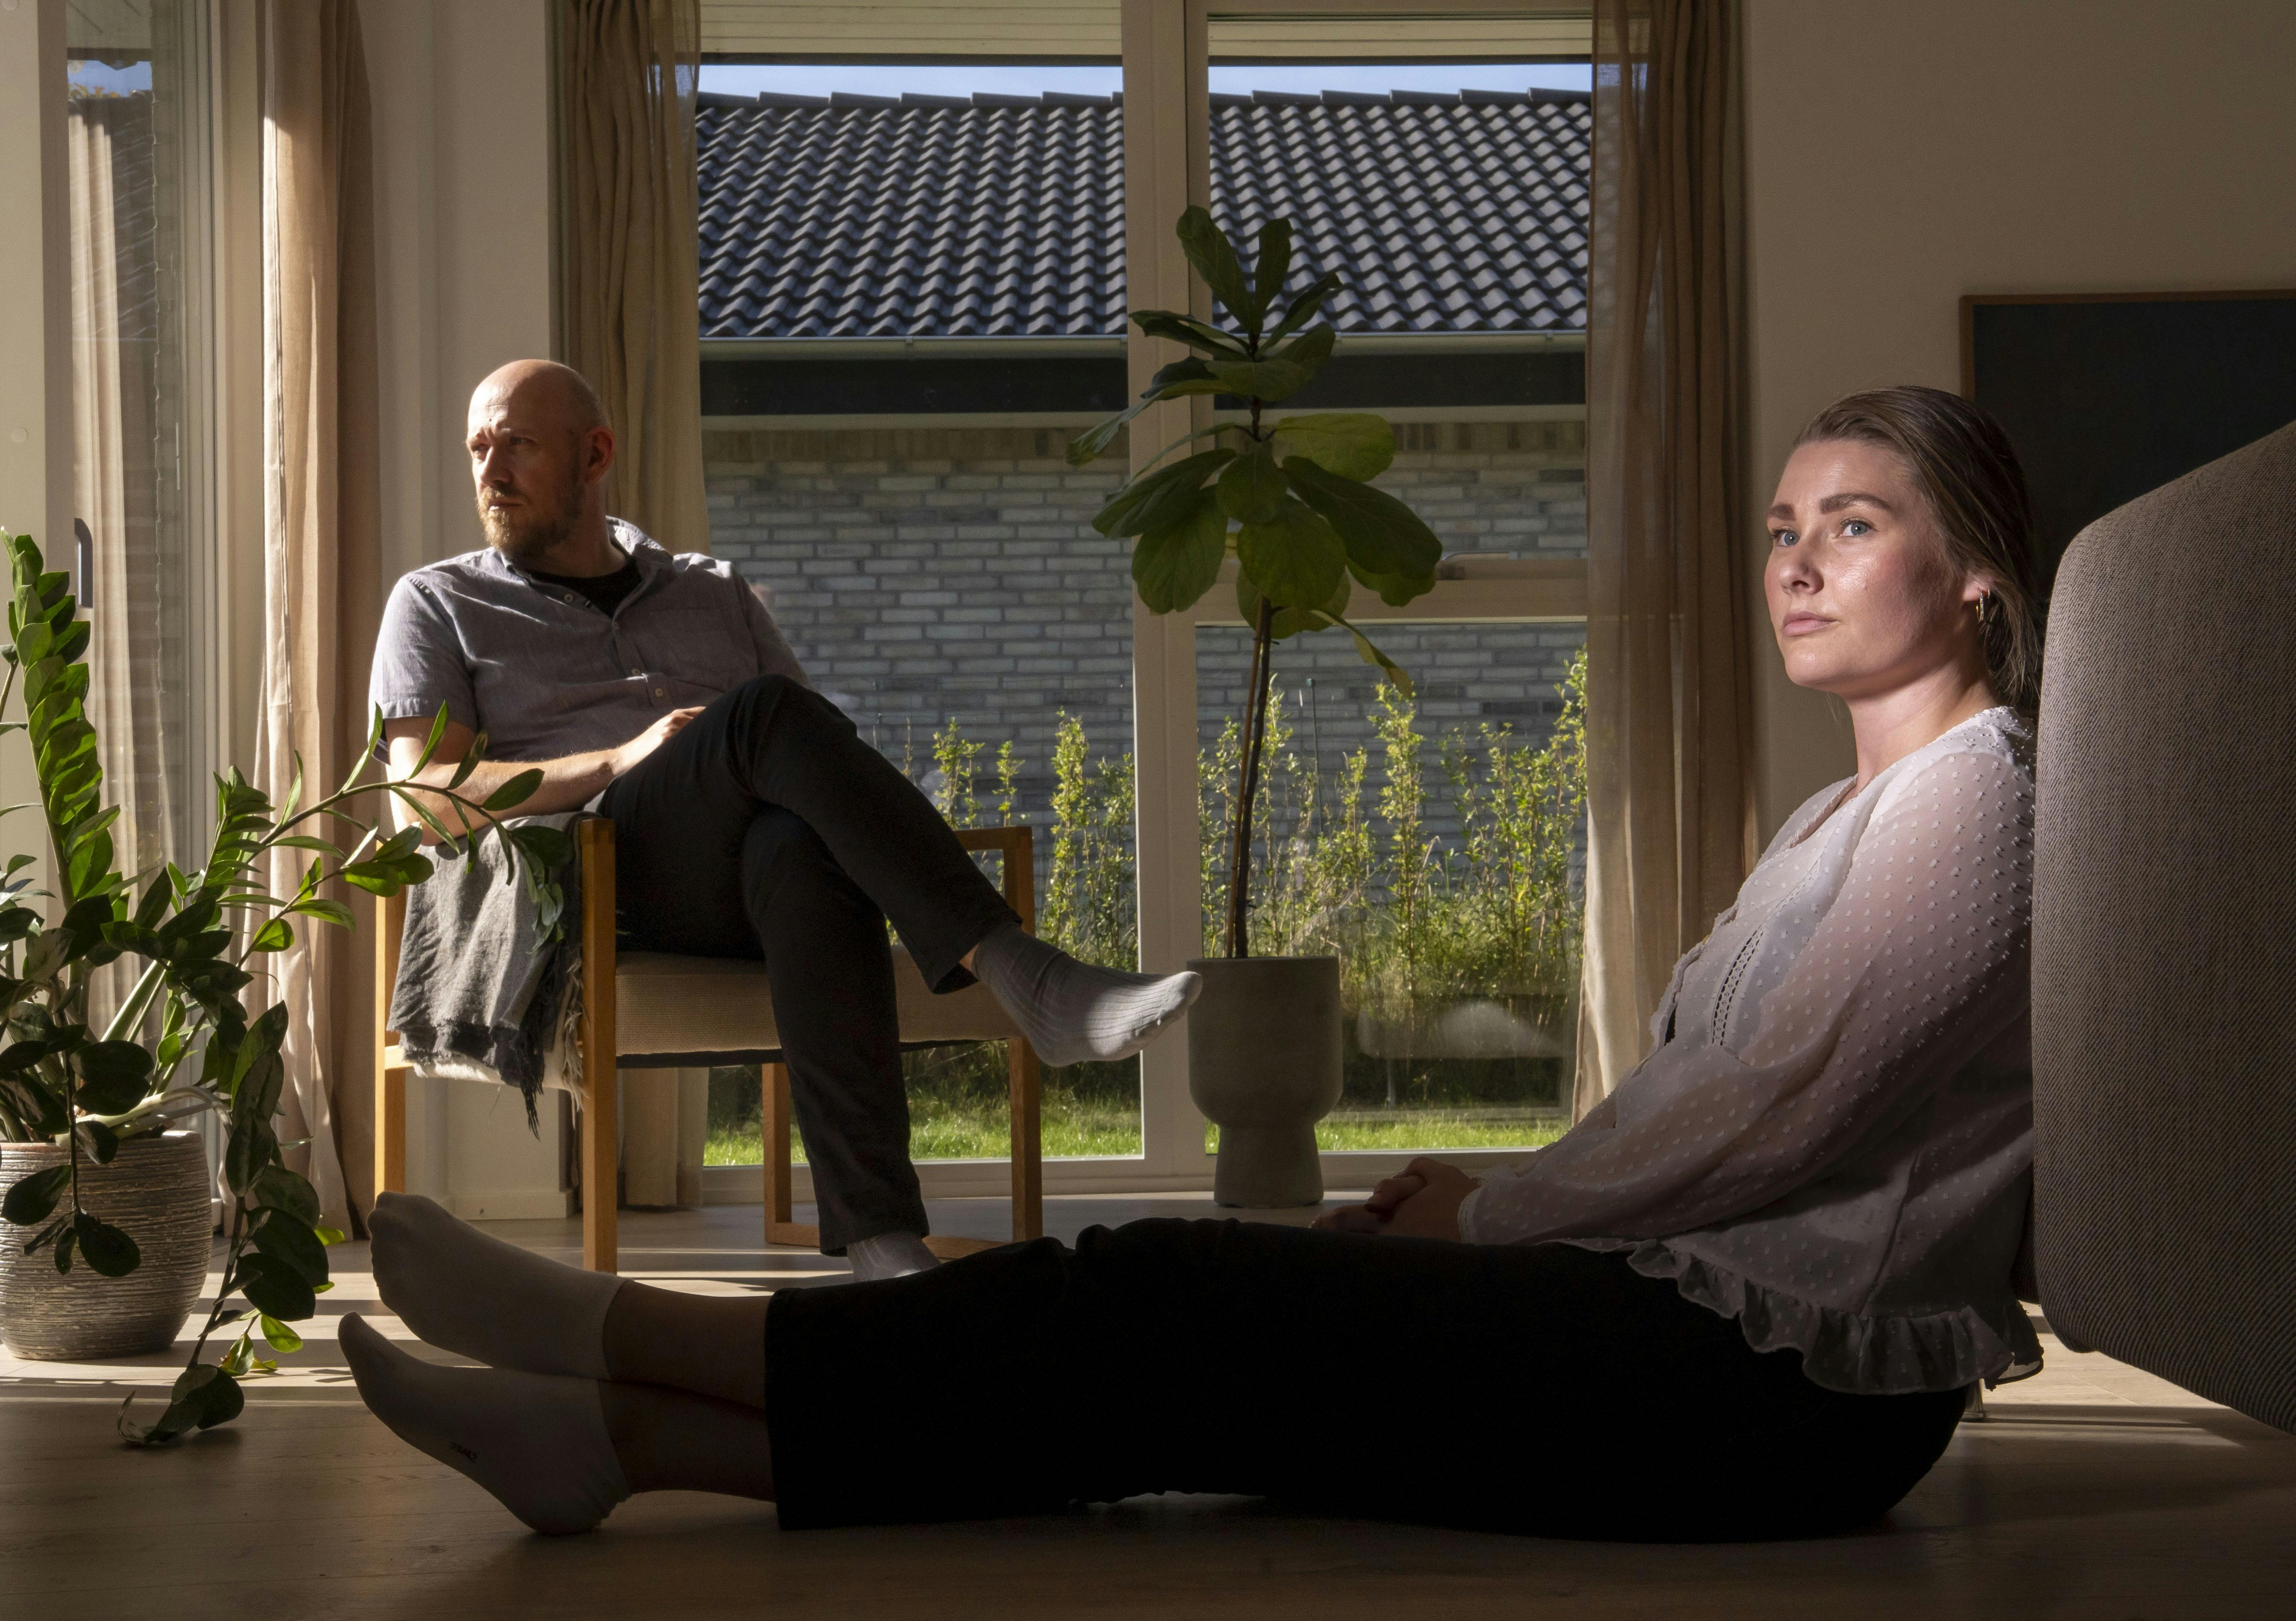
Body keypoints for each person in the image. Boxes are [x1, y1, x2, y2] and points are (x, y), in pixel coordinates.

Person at [345, 384, 2049, 1542]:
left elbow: (1784, 1112)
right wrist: (1493, 1192)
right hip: (1688, 1334)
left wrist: (1508, 1214)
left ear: (1972, 573)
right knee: (1182, 1376)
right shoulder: (1838, 819)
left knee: (1179, 1298)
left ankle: (626, 1333)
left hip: (1785, 1395)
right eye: (1777, 527)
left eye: (1850, 524)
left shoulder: (1980, 798)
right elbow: (1711, 1101)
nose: (1792, 562)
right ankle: (620, 1442)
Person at [369, 359, 1201, 1281]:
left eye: (518, 444)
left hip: (743, 879)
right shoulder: (438, 600)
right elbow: (424, 796)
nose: (491, 470)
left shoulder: (711, 590)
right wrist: (614, 758)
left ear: (595, 453)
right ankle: (1028, 977)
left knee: (796, 841)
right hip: (601, 877)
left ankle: (884, 1244)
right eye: (479, 447)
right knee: (762, 711)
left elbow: (817, 756)